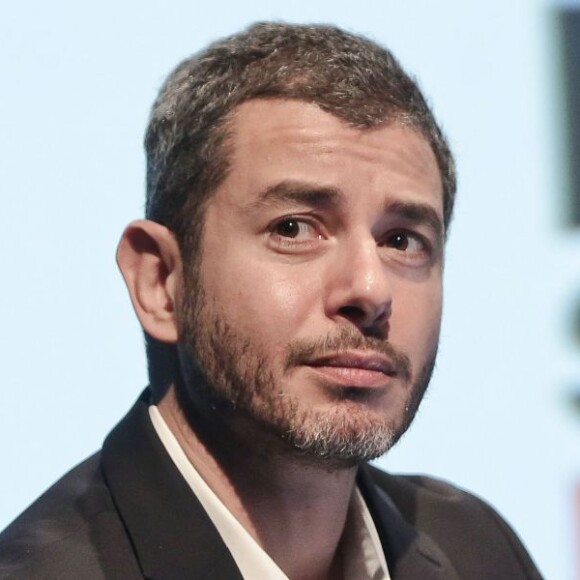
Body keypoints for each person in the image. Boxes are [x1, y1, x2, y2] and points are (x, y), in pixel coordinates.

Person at [0, 22, 541, 580]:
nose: (370, 289)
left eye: (401, 241)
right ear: (160, 281)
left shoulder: (479, 547)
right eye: (294, 227)